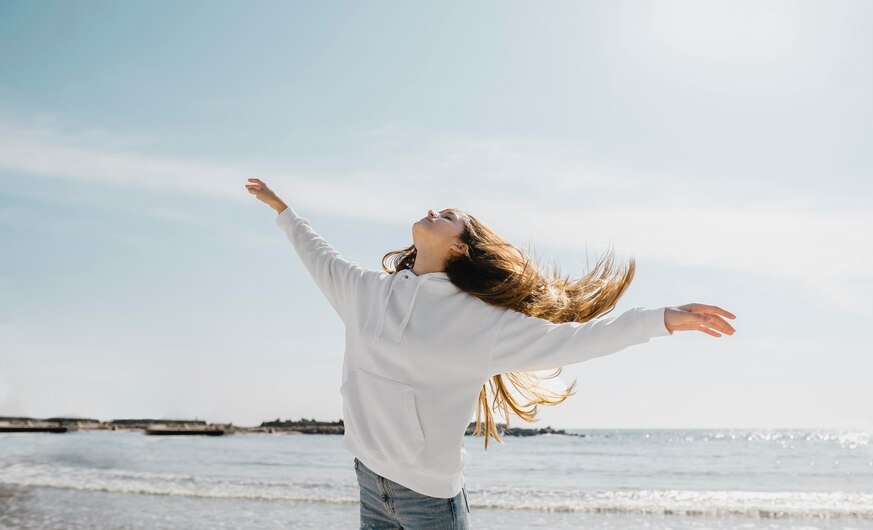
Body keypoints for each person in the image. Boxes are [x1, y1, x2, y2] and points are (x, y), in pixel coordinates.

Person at [245, 177, 737, 529]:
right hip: (369, 481)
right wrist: (282, 210)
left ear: (461, 248)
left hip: (429, 502)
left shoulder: (482, 324)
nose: (435, 210)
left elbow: (578, 339)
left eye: (450, 217)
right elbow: (317, 253)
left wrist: (660, 319)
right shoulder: (364, 291)